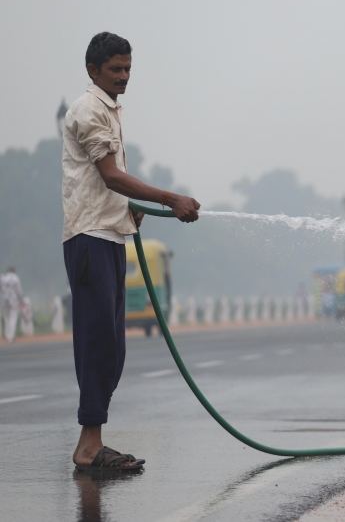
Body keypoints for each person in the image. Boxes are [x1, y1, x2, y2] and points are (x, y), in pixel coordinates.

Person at [63, 32, 200, 471]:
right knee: (98, 343)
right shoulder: (88, 110)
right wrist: (168, 199)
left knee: (113, 348)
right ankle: (88, 446)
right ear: (93, 71)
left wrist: (129, 210)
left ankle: (92, 441)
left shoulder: (110, 109)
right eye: (115, 69)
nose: (124, 77)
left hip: (110, 235)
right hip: (89, 238)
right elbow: (110, 175)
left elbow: (109, 181)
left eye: (127, 69)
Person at [1, 266, 24, 343]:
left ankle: (7, 336)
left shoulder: (2, 278)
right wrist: (21, 300)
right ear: (14, 271)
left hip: (4, 301)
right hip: (14, 301)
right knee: (13, 318)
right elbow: (19, 291)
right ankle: (11, 337)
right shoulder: (16, 279)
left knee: (7, 318)